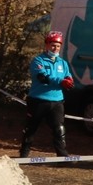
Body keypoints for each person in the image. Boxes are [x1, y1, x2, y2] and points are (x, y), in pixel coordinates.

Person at [19, 30, 73, 158]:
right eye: (53, 45)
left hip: (57, 101)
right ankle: (24, 155)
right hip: (38, 100)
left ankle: (62, 156)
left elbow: (68, 76)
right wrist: (61, 81)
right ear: (47, 45)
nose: (55, 48)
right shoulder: (38, 60)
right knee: (30, 129)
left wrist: (69, 81)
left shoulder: (63, 63)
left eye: (58, 46)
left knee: (59, 129)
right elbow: (42, 77)